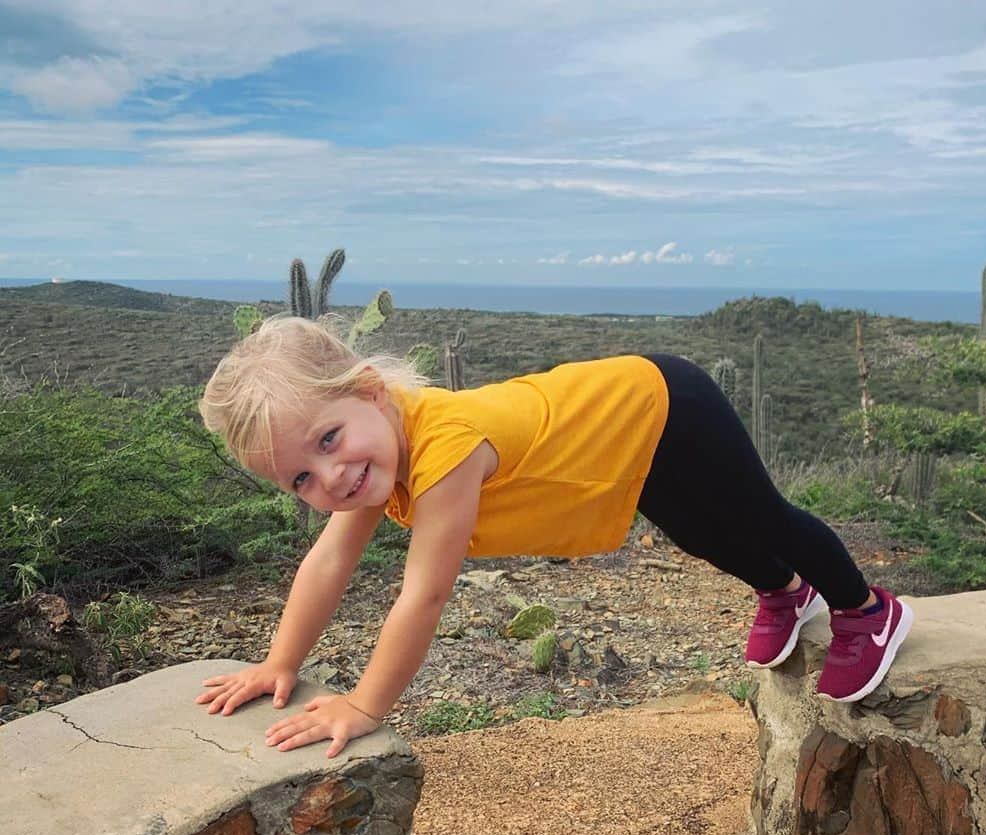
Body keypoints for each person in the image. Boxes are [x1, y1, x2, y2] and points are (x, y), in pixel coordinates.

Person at [196, 316, 913, 757]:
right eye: (300, 478)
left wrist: (363, 705)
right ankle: (786, 591)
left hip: (665, 404)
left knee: (763, 517)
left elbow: (424, 594)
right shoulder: (376, 450)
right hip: (623, 442)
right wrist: (277, 662)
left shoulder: (442, 445)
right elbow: (328, 559)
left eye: (329, 438)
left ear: (371, 392)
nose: (332, 475)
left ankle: (864, 609)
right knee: (697, 533)